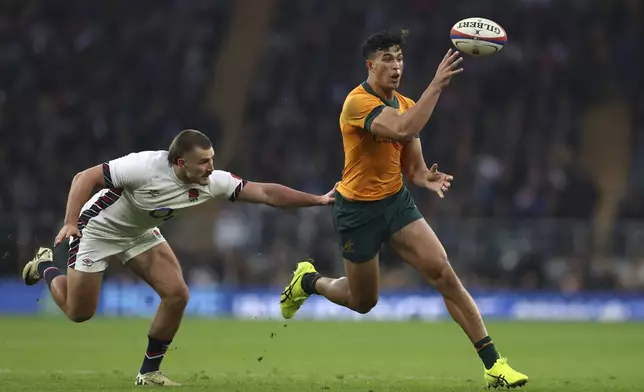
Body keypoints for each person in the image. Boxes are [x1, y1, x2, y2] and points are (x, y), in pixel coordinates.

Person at [279, 30, 528, 388]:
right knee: (363, 301)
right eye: (387, 59)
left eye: (399, 58)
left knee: (444, 274)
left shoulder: (407, 103)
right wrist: (437, 85)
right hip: (357, 211)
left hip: (396, 204)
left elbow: (411, 165)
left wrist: (425, 178)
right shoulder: (357, 103)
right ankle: (308, 281)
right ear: (371, 65)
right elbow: (403, 128)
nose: (396, 66)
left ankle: (494, 366)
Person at [22, 129, 335, 386]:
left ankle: (148, 372)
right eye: (203, 162)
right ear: (180, 162)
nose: (210, 168)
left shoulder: (212, 182)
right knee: (79, 312)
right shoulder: (144, 167)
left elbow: (266, 194)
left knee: (177, 295)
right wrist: (70, 221)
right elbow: (83, 178)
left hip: (140, 231)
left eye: (211, 160)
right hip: (97, 229)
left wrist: (318, 200)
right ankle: (45, 265)